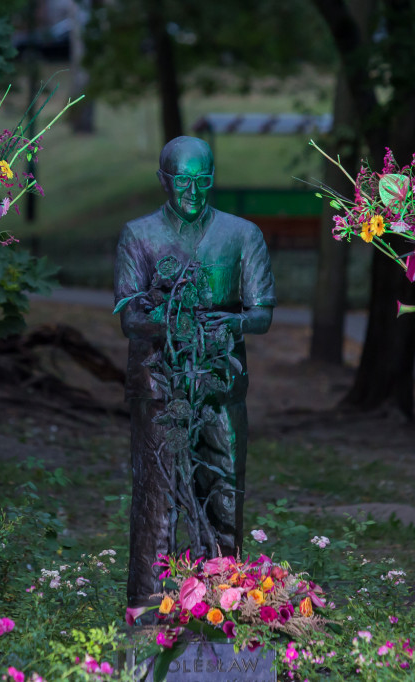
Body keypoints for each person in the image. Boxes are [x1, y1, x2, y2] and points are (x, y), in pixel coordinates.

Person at [114, 136, 276, 607]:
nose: (193, 191)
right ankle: (148, 602)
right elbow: (130, 318)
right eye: (182, 181)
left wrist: (234, 322)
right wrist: (177, 322)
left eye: (202, 180)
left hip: (221, 382)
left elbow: (261, 315)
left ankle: (222, 599)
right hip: (160, 385)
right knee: (157, 494)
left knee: (224, 489)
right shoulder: (139, 236)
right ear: (163, 180)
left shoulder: (242, 235)